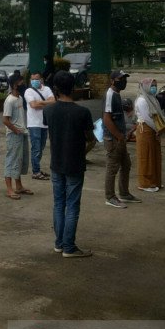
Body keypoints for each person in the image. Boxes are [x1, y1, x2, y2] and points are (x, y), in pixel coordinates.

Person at [43, 71, 95, 258]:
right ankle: (69, 247)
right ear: (73, 87)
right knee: (72, 205)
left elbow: (52, 133)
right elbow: (91, 139)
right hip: (74, 163)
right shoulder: (82, 112)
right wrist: (82, 152)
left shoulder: (48, 110)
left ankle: (59, 243)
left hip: (56, 162)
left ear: (55, 89)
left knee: (59, 203)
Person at [102, 70, 141, 208]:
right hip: (113, 139)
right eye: (121, 79)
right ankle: (110, 197)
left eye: (125, 78)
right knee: (112, 168)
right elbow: (107, 119)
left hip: (120, 138)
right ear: (113, 80)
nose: (123, 81)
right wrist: (118, 136)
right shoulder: (110, 95)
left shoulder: (117, 94)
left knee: (126, 165)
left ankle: (124, 194)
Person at [134, 79, 165, 192]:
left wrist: (158, 129)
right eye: (152, 86)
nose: (154, 88)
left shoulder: (152, 99)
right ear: (145, 87)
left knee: (154, 156)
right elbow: (147, 118)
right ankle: (145, 184)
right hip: (145, 129)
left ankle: (155, 181)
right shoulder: (142, 100)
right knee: (146, 157)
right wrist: (158, 129)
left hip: (153, 130)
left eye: (155, 86)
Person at [3, 74, 31, 199]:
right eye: (21, 82)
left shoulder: (19, 98)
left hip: (22, 133)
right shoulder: (9, 100)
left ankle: (18, 186)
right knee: (11, 160)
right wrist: (16, 130)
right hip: (14, 135)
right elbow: (5, 120)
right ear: (15, 85)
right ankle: (9, 189)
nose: (23, 84)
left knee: (19, 160)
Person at [25, 72, 55, 180]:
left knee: (41, 147)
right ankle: (36, 171)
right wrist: (46, 102)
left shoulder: (46, 89)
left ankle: (37, 168)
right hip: (33, 124)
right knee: (36, 148)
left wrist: (40, 102)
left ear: (41, 79)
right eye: (32, 79)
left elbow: (53, 101)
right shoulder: (28, 91)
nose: (34, 81)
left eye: (36, 79)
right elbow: (33, 105)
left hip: (44, 124)